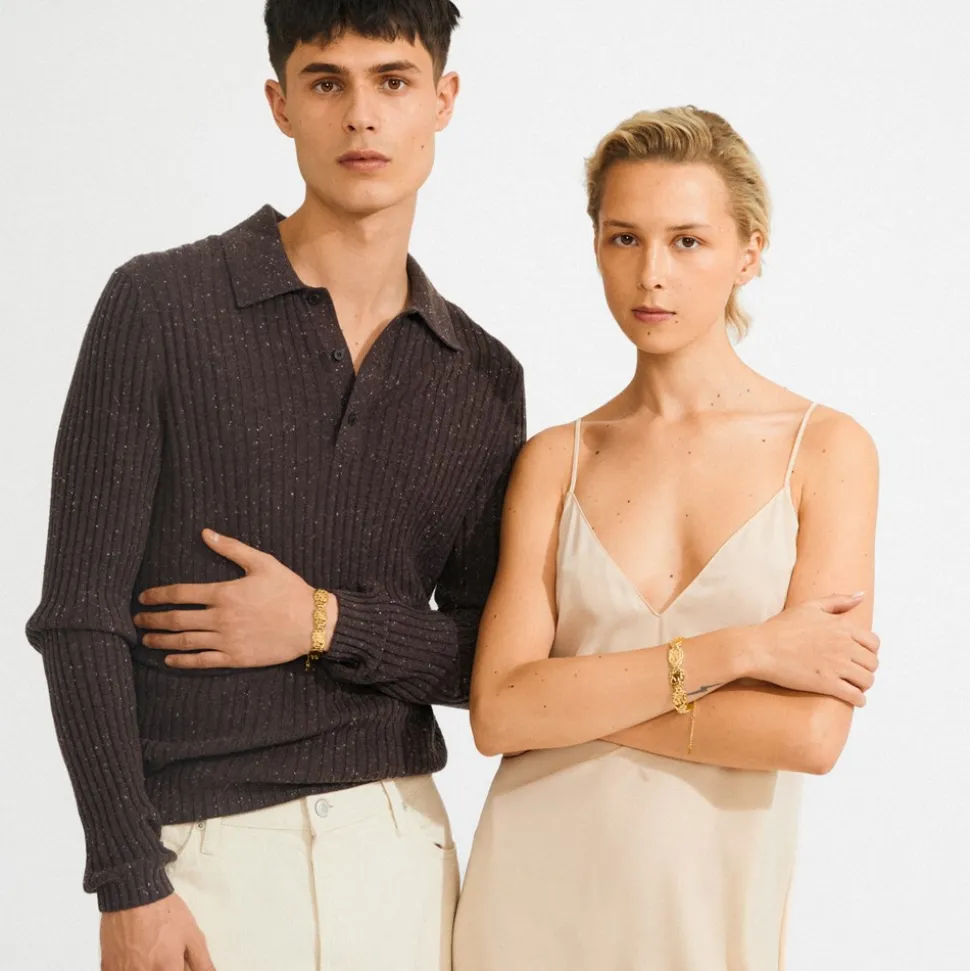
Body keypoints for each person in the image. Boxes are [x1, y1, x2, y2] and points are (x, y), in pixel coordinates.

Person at [25, 3, 524, 970]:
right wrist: (127, 877)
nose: (362, 115)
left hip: (401, 854)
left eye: (393, 80)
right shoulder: (159, 306)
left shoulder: (482, 375)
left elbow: (485, 662)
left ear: (443, 100)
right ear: (280, 104)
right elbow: (78, 619)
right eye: (326, 82)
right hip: (197, 861)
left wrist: (323, 621)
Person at [452, 106, 880, 971]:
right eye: (625, 239)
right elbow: (498, 715)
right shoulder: (557, 460)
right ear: (597, 247)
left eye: (687, 241)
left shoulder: (825, 450)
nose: (651, 274)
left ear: (749, 252)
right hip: (528, 902)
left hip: (707, 914)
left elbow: (809, 736)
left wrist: (574, 703)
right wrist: (743, 649)